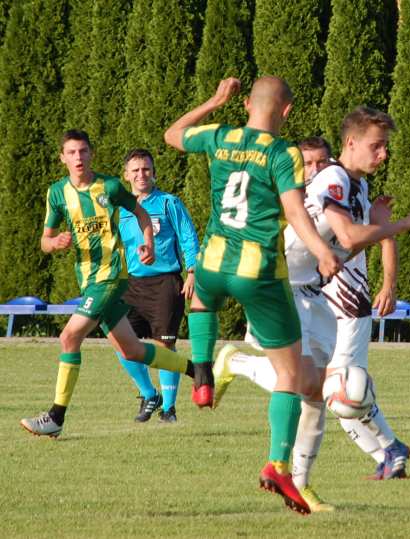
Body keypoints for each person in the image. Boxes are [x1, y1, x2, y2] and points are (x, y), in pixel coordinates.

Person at [212, 109, 410, 512]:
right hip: (280, 285)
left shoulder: (358, 186)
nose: (383, 153)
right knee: (308, 383)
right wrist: (404, 223)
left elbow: (346, 245)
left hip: (312, 294)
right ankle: (237, 364)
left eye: (385, 146)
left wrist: (379, 223)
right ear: (351, 143)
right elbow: (349, 235)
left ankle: (300, 484)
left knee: (317, 391)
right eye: (376, 145)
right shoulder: (333, 178)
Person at [163, 76, 341, 515]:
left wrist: (213, 100)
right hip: (258, 271)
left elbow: (171, 136)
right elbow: (297, 212)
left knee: (202, 302)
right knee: (291, 375)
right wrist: (322, 252)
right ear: (287, 112)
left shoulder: (220, 136)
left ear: (245, 104)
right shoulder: (284, 153)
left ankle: (203, 375)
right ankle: (279, 464)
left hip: (212, 264)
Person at [20, 130, 195, 438]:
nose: (78, 157)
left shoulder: (122, 190)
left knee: (69, 336)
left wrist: (156, 248)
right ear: (62, 157)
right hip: (98, 281)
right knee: (129, 349)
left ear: (91, 154)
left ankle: (57, 416)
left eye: (83, 151)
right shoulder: (58, 194)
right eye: (71, 152)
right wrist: (55, 242)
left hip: (119, 277)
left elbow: (150, 218)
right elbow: (44, 241)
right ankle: (197, 372)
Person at [116, 148, 199, 423]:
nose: (142, 175)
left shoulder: (168, 203)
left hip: (166, 283)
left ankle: (169, 409)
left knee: (164, 347)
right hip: (134, 286)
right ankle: (149, 394)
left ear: (154, 172)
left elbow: (188, 236)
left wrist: (192, 272)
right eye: (136, 170)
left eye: (146, 169)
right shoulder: (121, 209)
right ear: (126, 175)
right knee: (121, 342)